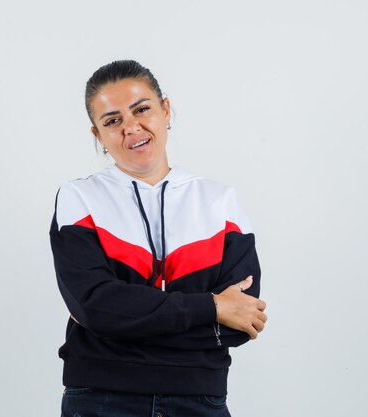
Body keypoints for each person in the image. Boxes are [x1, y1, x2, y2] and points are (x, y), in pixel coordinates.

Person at [49, 59, 268, 417]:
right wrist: (211, 307)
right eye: (112, 120)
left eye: (142, 109)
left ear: (166, 110)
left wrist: (123, 323)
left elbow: (242, 322)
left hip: (199, 401)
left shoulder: (220, 201)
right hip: (102, 400)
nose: (131, 128)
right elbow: (94, 306)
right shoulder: (79, 200)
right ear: (98, 136)